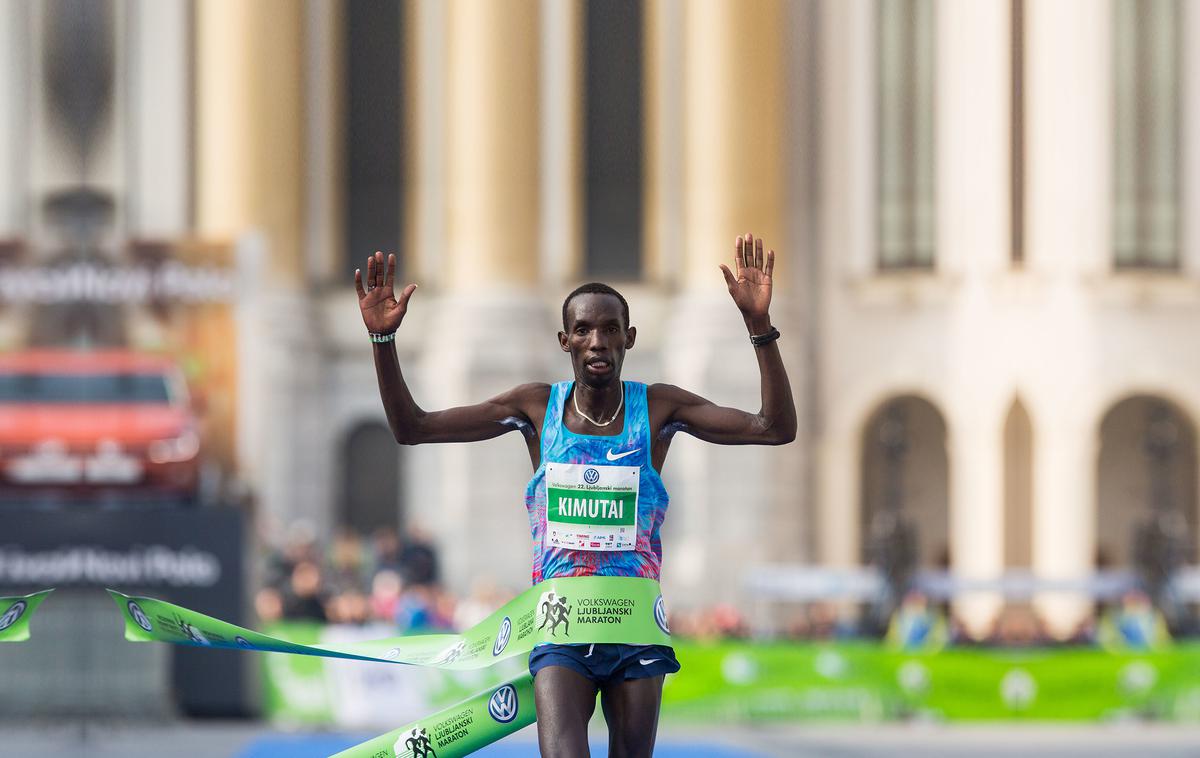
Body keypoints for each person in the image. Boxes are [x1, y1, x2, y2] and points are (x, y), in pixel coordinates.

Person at [354, 234, 796, 758]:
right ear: (565, 341)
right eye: (583, 330)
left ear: (629, 338)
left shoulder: (657, 410)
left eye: (610, 330)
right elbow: (414, 428)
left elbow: (774, 427)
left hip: (634, 626)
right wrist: (383, 343)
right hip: (563, 627)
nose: (597, 341)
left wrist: (758, 328)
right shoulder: (537, 409)